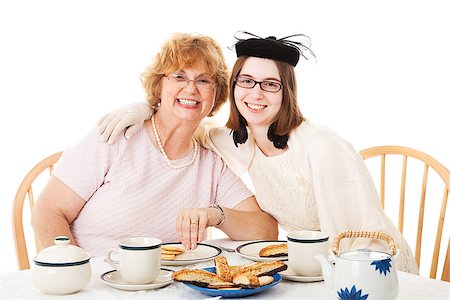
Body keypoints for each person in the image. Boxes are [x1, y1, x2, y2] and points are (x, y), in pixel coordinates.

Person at [97, 31, 419, 273]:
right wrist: (146, 108)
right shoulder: (242, 141)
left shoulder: (322, 147)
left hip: (371, 273)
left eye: (270, 84)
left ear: (287, 92)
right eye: (246, 81)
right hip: (312, 270)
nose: (256, 93)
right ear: (233, 87)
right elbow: (191, 124)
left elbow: (365, 241)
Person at [31, 33, 278, 256]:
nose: (190, 89)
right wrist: (72, 274)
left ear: (217, 94)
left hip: (163, 287)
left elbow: (265, 231)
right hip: (93, 282)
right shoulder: (117, 135)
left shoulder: (211, 163)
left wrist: (216, 214)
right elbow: (48, 212)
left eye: (204, 81)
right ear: (159, 85)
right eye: (179, 76)